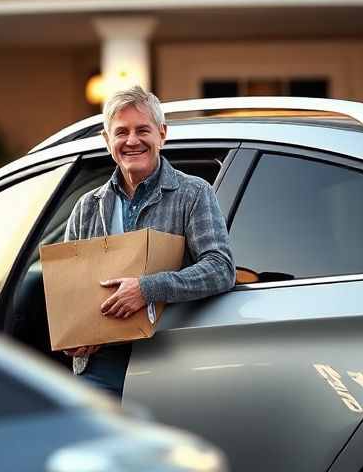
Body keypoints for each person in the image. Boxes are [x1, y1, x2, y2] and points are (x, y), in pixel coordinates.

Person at [62, 85, 235, 399]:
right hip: (97, 369)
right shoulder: (86, 207)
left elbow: (220, 269)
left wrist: (147, 289)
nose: (132, 141)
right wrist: (73, 335)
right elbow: (69, 292)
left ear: (162, 134)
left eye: (143, 130)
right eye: (121, 132)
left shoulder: (193, 194)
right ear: (106, 140)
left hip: (167, 362)